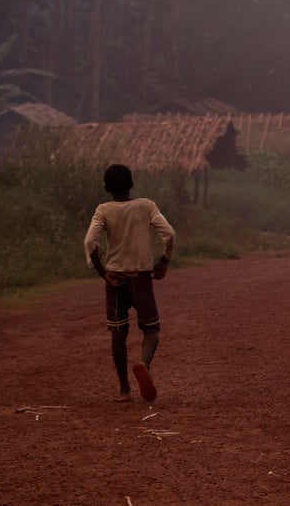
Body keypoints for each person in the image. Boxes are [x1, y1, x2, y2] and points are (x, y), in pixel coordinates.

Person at [84, 164, 175, 404]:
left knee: (117, 334)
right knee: (152, 330)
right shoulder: (146, 206)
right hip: (141, 277)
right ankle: (143, 364)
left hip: (115, 278)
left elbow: (89, 242)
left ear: (106, 188)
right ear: (132, 183)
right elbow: (169, 233)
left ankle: (124, 390)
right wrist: (164, 260)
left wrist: (103, 272)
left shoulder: (103, 210)